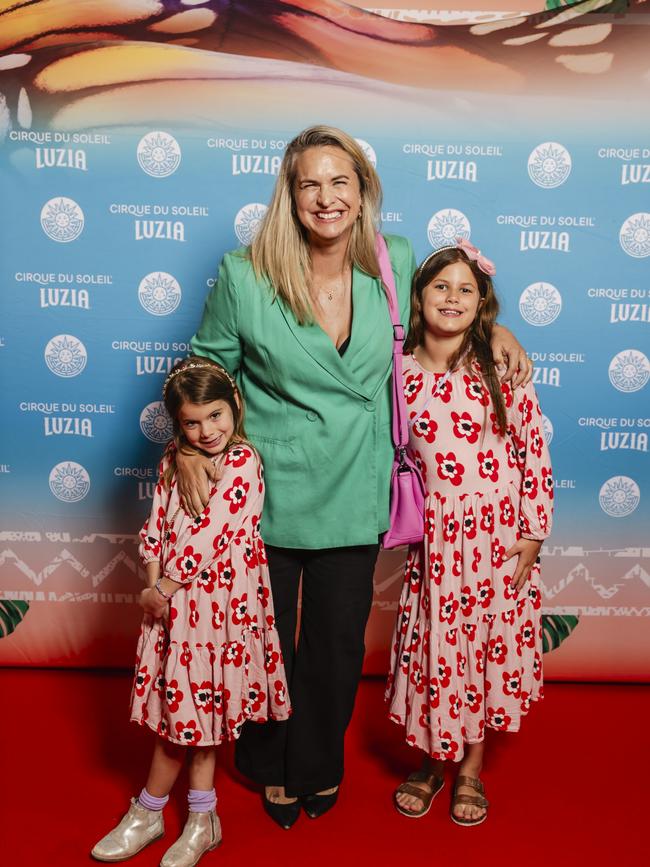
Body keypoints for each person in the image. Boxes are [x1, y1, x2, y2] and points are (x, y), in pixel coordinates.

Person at [179, 125, 531, 828]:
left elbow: (444, 310)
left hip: (357, 480)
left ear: (362, 191)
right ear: (290, 192)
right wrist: (192, 449)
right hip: (267, 488)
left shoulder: (391, 258)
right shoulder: (245, 273)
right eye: (310, 182)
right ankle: (266, 761)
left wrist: (495, 327)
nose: (326, 197)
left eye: (340, 181)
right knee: (263, 634)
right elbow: (207, 368)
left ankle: (316, 764)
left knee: (338, 641)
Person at [91, 357, 290, 865]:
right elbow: (156, 523)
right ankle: (197, 817)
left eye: (216, 416)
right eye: (191, 422)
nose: (206, 431)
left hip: (219, 607)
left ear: (235, 407)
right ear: (177, 423)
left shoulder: (242, 461)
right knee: (186, 716)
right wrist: (155, 582)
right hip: (173, 607)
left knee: (199, 718)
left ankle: (158, 810)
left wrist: (168, 586)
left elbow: (214, 532)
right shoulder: (170, 460)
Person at [386, 239, 553, 825]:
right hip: (436, 542)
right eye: (440, 286)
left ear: (482, 303)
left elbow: (533, 449)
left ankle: (471, 770)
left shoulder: (499, 366)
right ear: (419, 295)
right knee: (439, 648)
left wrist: (533, 531)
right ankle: (434, 762)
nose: (452, 298)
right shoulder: (397, 374)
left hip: (496, 539)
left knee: (481, 650)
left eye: (466, 289)